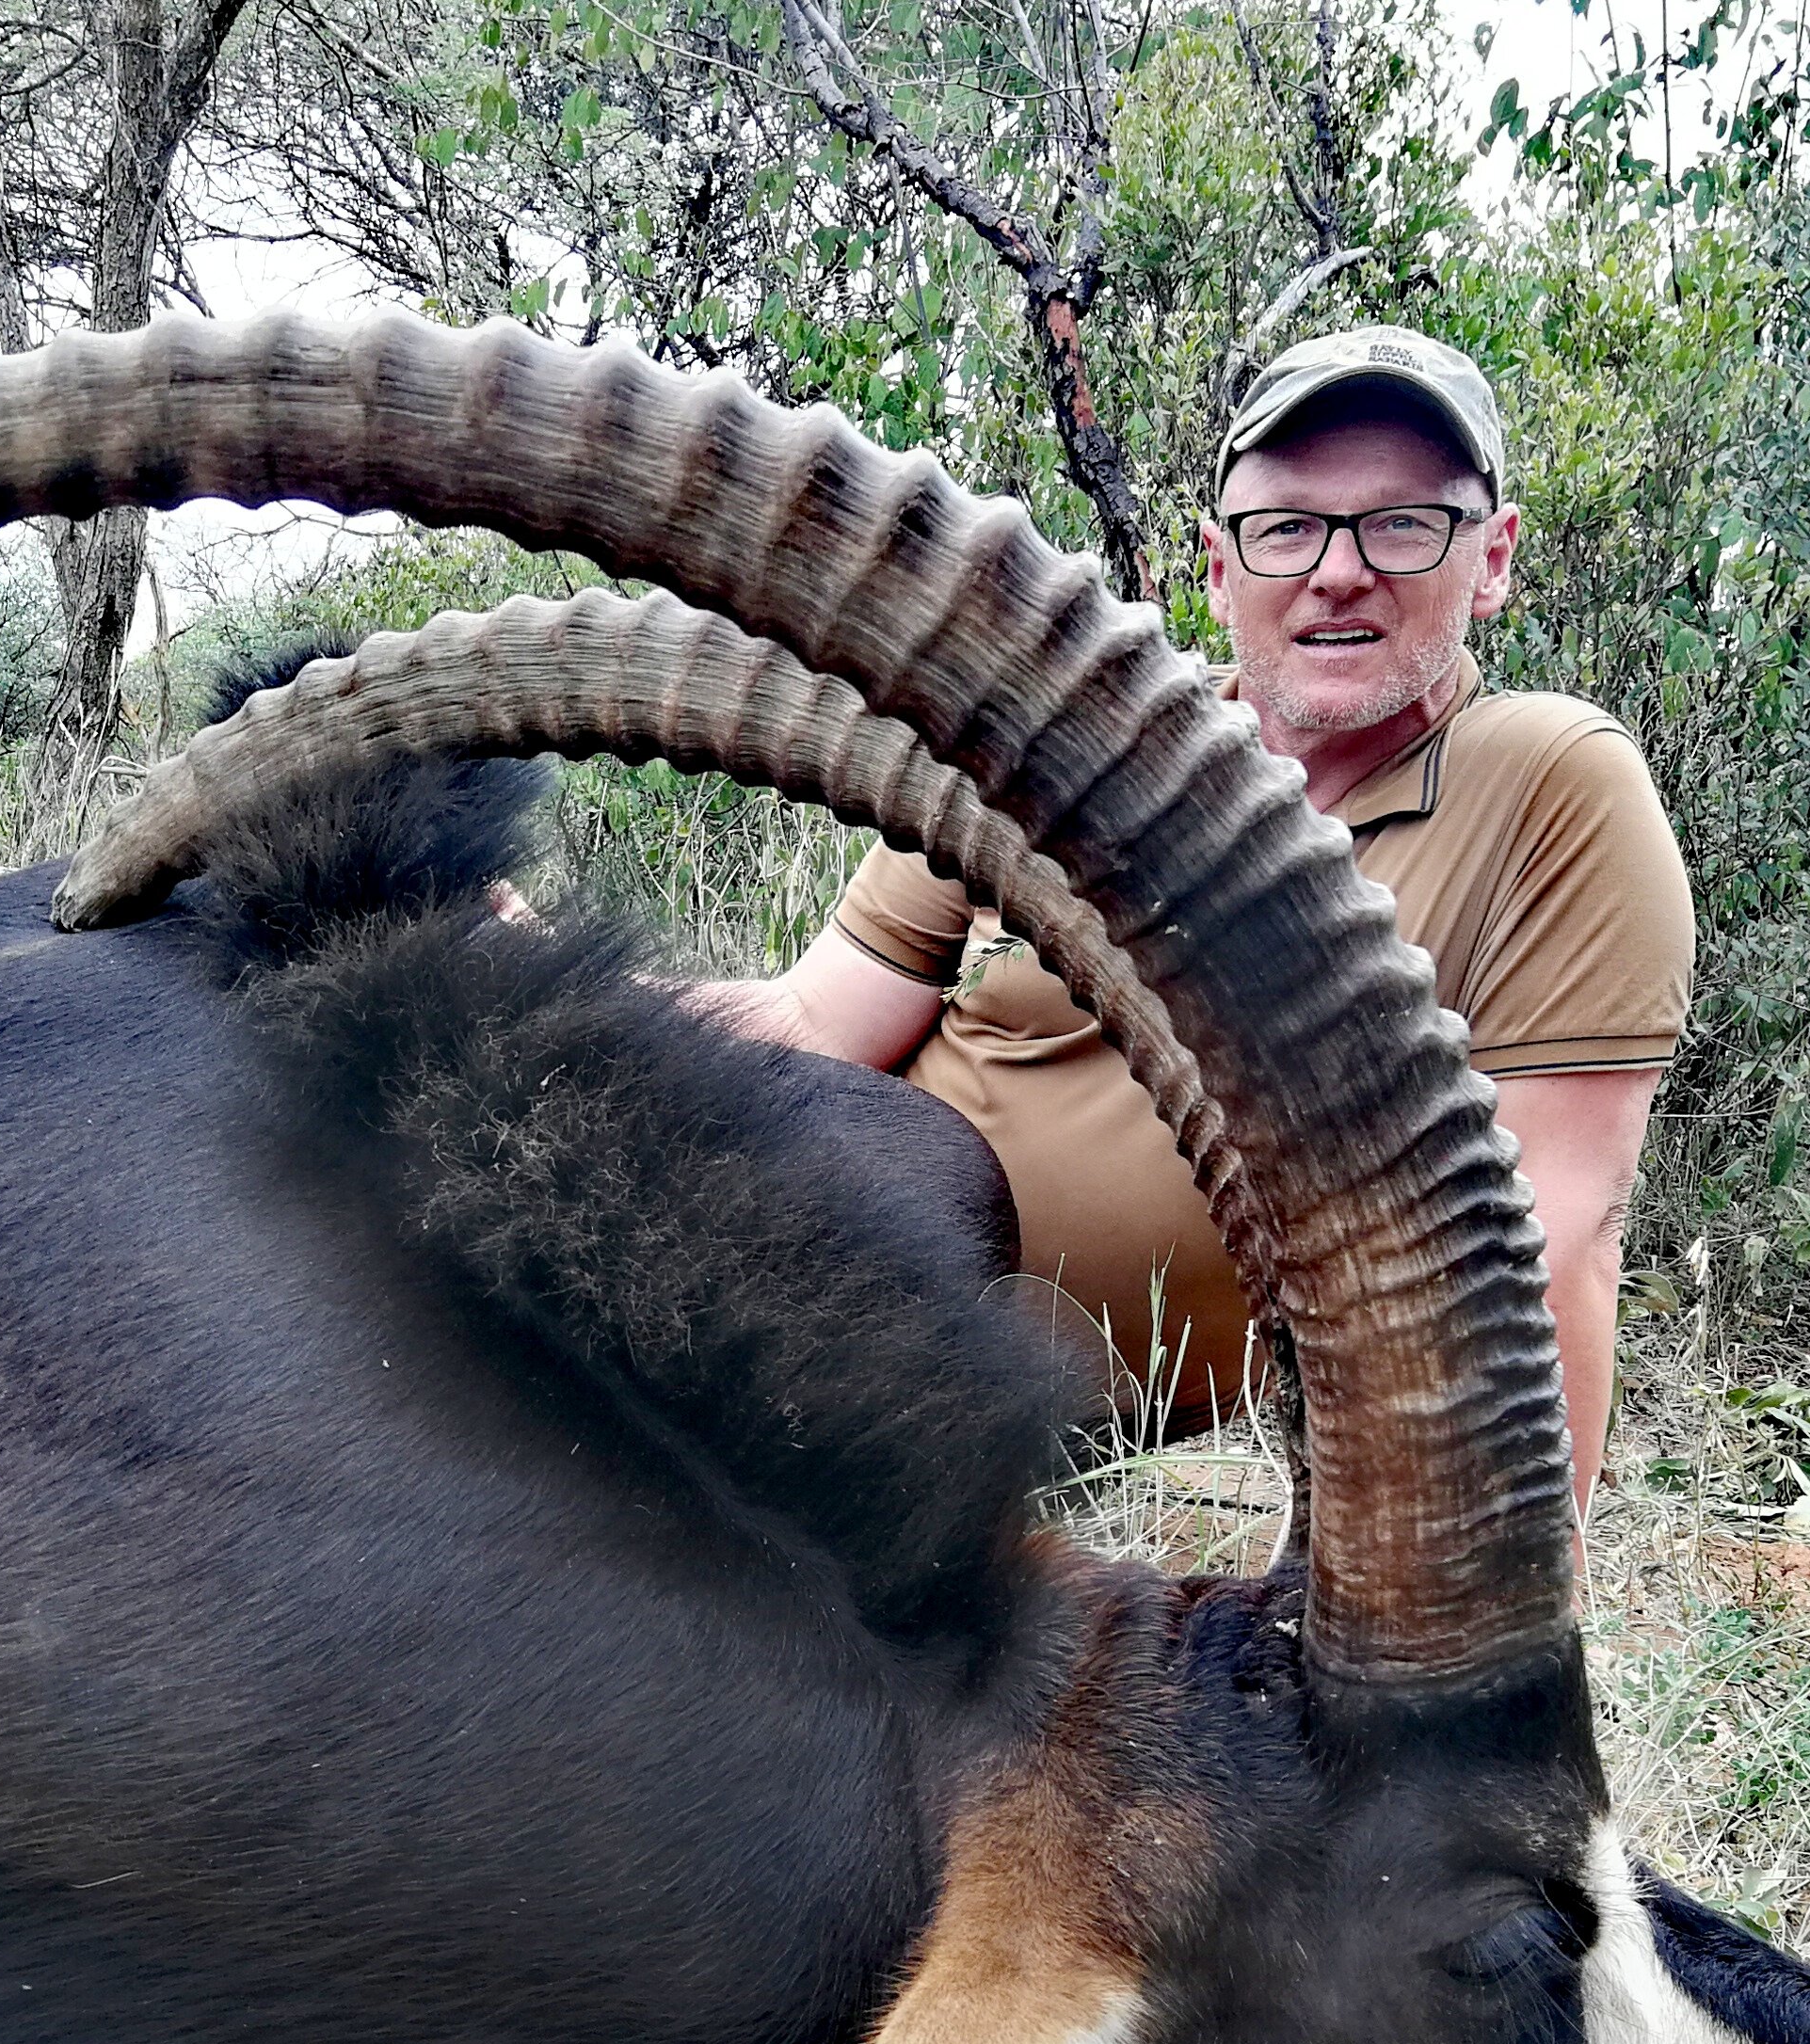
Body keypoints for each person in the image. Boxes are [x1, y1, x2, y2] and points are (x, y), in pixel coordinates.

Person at [687, 327, 1692, 1512]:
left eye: (1404, 524)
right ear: (1218, 567)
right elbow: (809, 1022)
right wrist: (554, 988)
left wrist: (1519, 1628)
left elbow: (1551, 1241)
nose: (1336, 573)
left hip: (982, 1443)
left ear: (1493, 558)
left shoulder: (1547, 784)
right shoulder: (1059, 735)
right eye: (1285, 528)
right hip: (781, 1275)